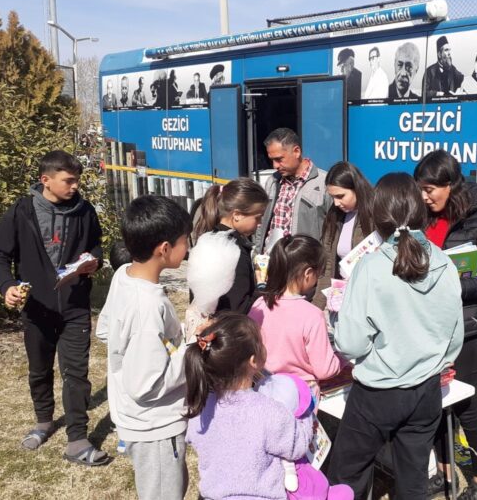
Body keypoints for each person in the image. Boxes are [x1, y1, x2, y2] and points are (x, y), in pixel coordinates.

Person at [327, 173, 464, 499]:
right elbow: (454, 338)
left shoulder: (371, 267)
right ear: (420, 212)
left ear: (376, 215)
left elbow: (350, 343)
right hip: (426, 392)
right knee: (413, 478)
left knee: (348, 473)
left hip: (376, 394)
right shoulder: (445, 262)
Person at [0, 150, 104, 463]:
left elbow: (95, 245)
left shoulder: (85, 210)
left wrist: (92, 263)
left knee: (76, 374)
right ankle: (43, 421)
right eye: (68, 180)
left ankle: (77, 439)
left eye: (77, 180)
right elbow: (0, 255)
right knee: (39, 370)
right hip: (37, 309)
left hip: (75, 306)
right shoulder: (21, 211)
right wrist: (6, 288)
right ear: (46, 180)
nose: (75, 186)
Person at [415, 150, 477, 500]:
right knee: (434, 403)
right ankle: (444, 471)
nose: (424, 197)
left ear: (451, 185)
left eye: (430, 190)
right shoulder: (422, 217)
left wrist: (454, 285)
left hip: (467, 329)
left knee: (466, 405)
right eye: (420, 190)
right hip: (429, 326)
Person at [185, 313, 353, 500]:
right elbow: (296, 446)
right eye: (261, 343)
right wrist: (304, 416)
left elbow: (194, 436)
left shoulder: (201, 405)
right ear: (253, 361)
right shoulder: (268, 411)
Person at [96, 195, 192, 499]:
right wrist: (192, 350)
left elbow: (105, 331)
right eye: (185, 240)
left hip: (137, 418)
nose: (188, 247)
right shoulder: (147, 306)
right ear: (164, 249)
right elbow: (146, 383)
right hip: (156, 427)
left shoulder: (123, 276)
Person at [248, 235, 343, 400]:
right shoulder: (312, 315)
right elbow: (325, 369)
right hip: (300, 398)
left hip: (262, 388)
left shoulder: (260, 304)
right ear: (308, 273)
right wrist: (343, 358)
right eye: (318, 274)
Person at [191, 178, 269, 315]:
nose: (260, 223)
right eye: (257, 217)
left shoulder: (208, 238)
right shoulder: (235, 250)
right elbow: (240, 307)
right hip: (229, 331)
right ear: (237, 215)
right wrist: (262, 287)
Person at [254, 128, 333, 250]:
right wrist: (257, 252)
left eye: (279, 159)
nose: (275, 166)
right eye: (272, 160)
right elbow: (262, 222)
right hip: (271, 262)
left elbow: (334, 231)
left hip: (304, 264)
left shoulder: (324, 183)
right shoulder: (273, 181)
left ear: (296, 151)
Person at [314, 161, 375, 310]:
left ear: (357, 188)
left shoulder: (376, 214)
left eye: (341, 196)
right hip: (340, 299)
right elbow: (327, 265)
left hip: (368, 300)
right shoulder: (334, 215)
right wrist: (317, 307)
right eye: (333, 197)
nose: (336, 203)